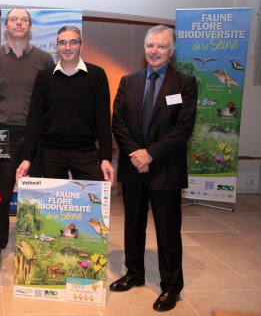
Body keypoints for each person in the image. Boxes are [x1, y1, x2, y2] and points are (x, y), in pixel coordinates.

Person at [111, 25, 197, 311]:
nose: (154, 51)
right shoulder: (128, 81)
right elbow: (118, 122)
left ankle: (171, 287)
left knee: (168, 232)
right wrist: (136, 155)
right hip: (133, 167)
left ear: (171, 51)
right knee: (133, 227)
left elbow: (183, 127)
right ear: (144, 49)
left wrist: (150, 154)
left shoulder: (185, 83)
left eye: (161, 46)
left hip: (165, 169)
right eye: (150, 46)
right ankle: (134, 274)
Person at [0, 7, 55, 269]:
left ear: (31, 27)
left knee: (35, 196)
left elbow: (51, 100)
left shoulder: (45, 60)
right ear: (6, 26)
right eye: (14, 19)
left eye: (24, 19)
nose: (19, 23)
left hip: (36, 136)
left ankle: (35, 245)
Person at [15, 26, 114, 184]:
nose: (67, 47)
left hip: (86, 151)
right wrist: (27, 158)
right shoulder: (44, 77)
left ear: (81, 46)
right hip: (51, 152)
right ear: (56, 47)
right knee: (52, 206)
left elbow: (103, 120)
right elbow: (34, 119)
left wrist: (105, 158)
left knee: (89, 205)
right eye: (62, 43)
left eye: (73, 42)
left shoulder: (97, 75)